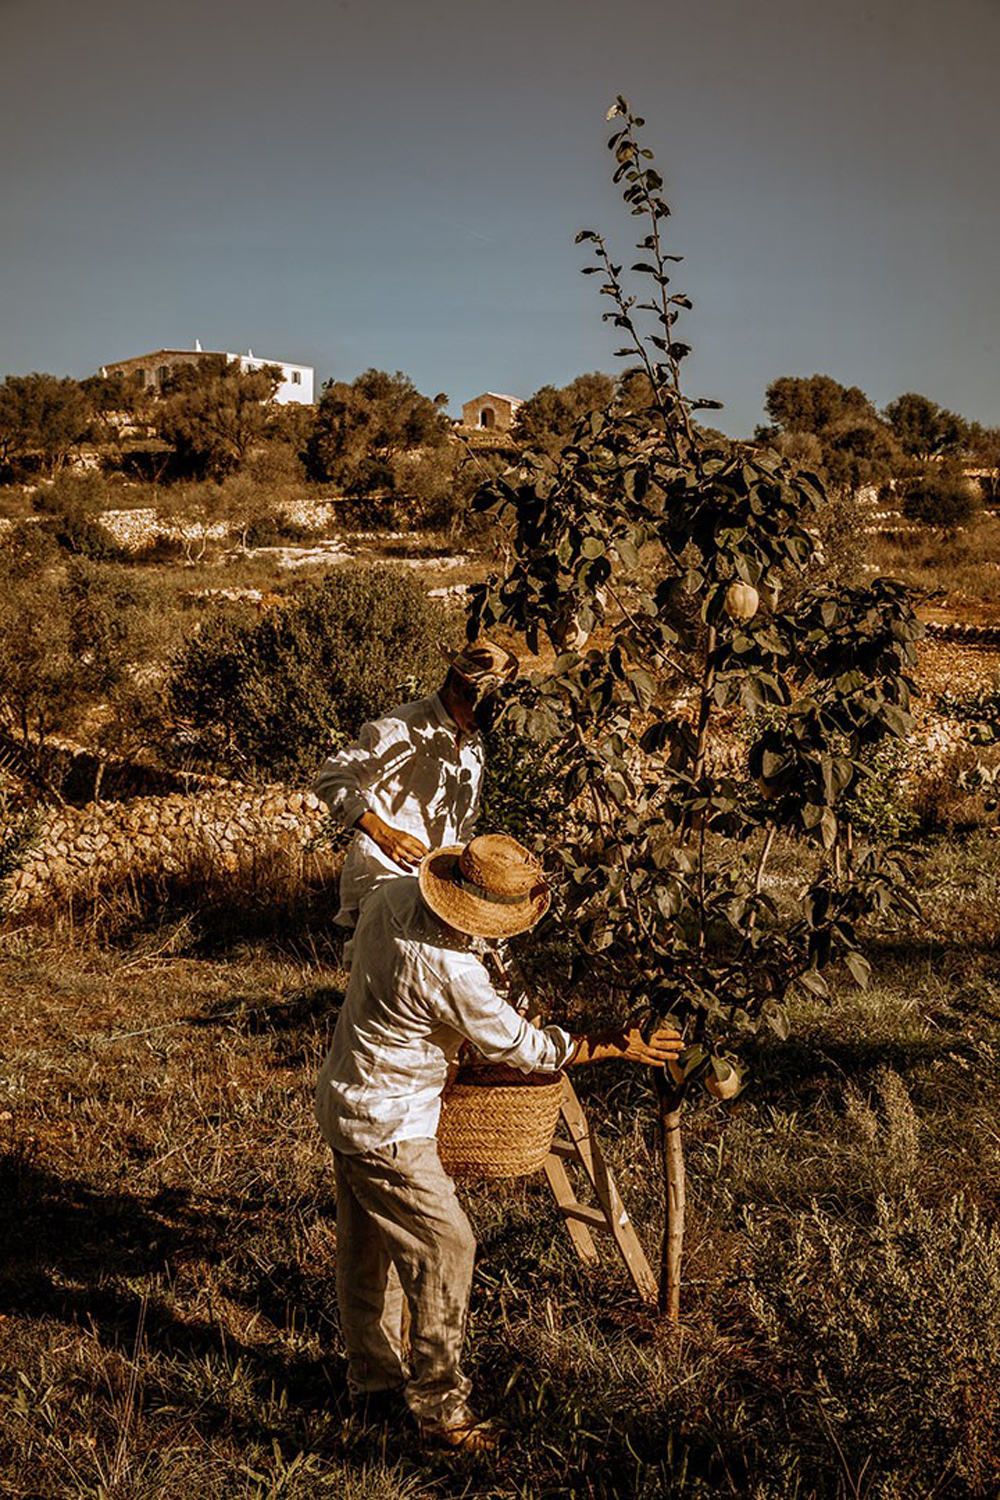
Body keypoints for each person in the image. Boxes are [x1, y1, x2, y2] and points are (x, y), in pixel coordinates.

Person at [314, 832, 684, 1452]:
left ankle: (373, 1385)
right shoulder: (450, 970)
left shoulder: (391, 896)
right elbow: (524, 1047)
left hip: (346, 1095)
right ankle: (440, 1412)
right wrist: (611, 1043)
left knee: (368, 1252)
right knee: (448, 1246)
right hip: (391, 1123)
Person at [312, 640, 519, 945]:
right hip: (387, 877)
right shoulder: (404, 726)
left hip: (440, 887)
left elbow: (463, 824)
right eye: (482, 706)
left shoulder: (473, 746)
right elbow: (333, 777)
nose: (485, 721)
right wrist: (382, 833)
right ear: (458, 686)